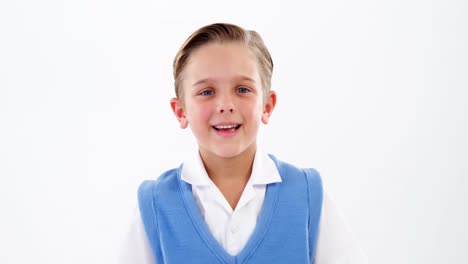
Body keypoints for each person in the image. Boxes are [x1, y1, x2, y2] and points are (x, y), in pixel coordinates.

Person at [119, 22, 367, 263]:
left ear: (267, 106)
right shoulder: (154, 206)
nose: (225, 105)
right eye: (206, 92)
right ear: (181, 111)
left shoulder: (307, 197)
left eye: (242, 89)